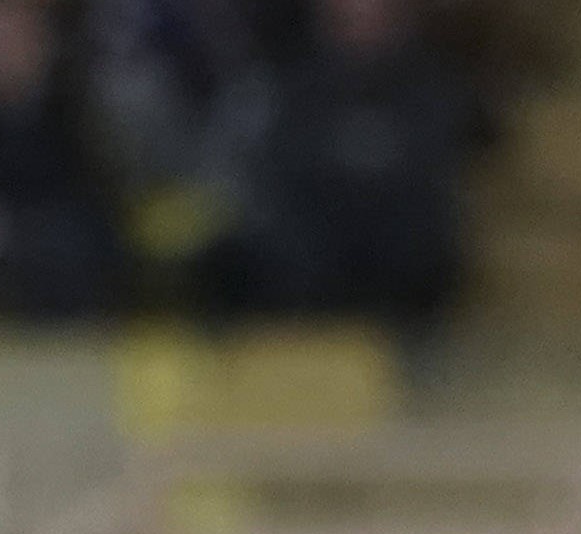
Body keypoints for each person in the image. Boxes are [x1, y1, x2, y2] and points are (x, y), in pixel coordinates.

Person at [207, 0, 483, 336]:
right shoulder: (293, 88)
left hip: (401, 270)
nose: (361, 17)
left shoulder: (432, 89)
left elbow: (427, 193)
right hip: (308, 267)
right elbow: (279, 181)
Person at [0, 0, 130, 321]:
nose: (2, 50)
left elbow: (99, 232)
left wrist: (5, 235)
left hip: (71, 320)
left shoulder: (76, 120)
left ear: (44, 43)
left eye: (15, 36)